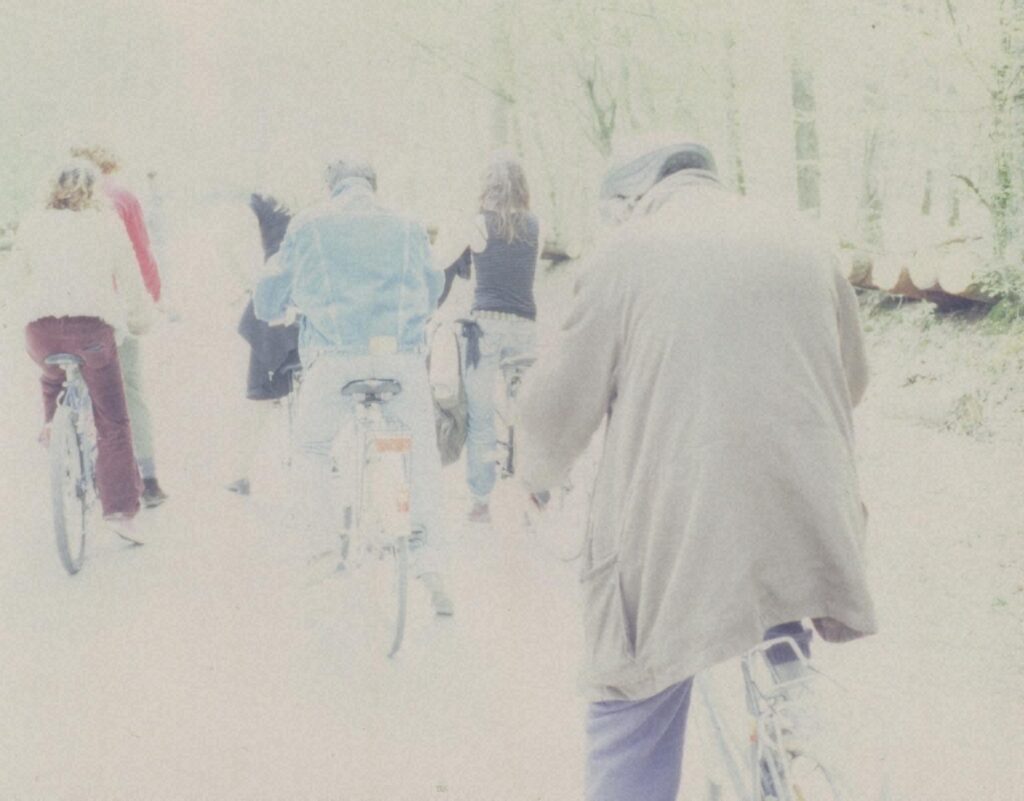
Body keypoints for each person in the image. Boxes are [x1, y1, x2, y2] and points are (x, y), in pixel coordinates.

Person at [515, 136, 876, 801]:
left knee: (630, 690)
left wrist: (535, 478)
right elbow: (852, 380)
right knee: (779, 603)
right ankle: (795, 736)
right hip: (813, 516)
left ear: (631, 199)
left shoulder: (624, 255)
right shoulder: (802, 241)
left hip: (682, 534)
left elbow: (555, 410)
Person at [254, 156, 454, 616]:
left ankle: (322, 547)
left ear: (332, 186)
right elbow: (432, 286)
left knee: (311, 447)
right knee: (420, 451)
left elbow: (271, 292)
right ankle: (430, 563)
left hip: (335, 357)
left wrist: (275, 309)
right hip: (398, 357)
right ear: (373, 185)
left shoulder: (309, 224)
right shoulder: (407, 224)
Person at [7, 160, 154, 542]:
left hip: (41, 332)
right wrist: (140, 320)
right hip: (91, 332)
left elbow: (14, 280)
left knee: (50, 373)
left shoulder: (32, 223)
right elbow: (131, 280)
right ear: (94, 190)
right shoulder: (107, 223)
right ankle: (120, 512)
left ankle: (51, 425)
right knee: (113, 421)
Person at [439, 153, 541, 524]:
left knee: (481, 418)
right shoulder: (536, 225)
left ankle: (481, 502)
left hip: (485, 329)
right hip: (526, 329)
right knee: (526, 414)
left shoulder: (478, 224)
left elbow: (440, 261)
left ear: (487, 188)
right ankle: (534, 489)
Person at [71, 146, 169, 508]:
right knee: (130, 390)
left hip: (72, 311)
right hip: (118, 310)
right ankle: (148, 478)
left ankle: (84, 465)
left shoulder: (61, 198)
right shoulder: (122, 197)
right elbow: (141, 254)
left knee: (79, 383)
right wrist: (151, 299)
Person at [226, 192, 300, 496]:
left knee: (260, 394)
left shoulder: (257, 203)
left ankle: (241, 473)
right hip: (312, 303)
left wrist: (250, 284)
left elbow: (230, 248)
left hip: (274, 309)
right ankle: (328, 457)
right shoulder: (321, 198)